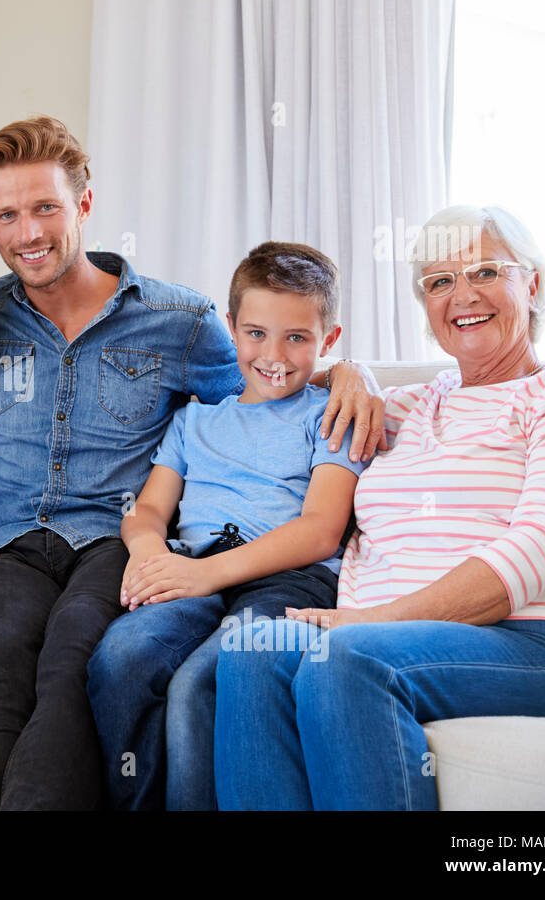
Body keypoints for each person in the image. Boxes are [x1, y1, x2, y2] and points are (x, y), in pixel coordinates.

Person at [0, 115, 386, 810]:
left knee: (76, 656)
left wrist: (350, 375)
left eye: (46, 208)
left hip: (111, 544)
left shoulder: (180, 320)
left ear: (84, 205)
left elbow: (263, 390)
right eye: (8, 215)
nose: (29, 232)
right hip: (15, 544)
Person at [213, 205, 545, 810]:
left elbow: (541, 547)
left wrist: (379, 620)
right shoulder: (404, 407)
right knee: (253, 654)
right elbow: (289, 371)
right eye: (439, 282)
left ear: (531, 284)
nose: (463, 295)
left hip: (529, 644)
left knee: (347, 660)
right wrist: (351, 372)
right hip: (377, 633)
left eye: (486, 272)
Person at [86, 242, 369, 811]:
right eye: (256, 334)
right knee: (120, 658)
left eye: (298, 338)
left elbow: (318, 530)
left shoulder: (331, 416)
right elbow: (146, 511)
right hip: (191, 565)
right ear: (232, 330)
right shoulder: (196, 419)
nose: (275, 355)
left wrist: (206, 575)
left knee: (200, 684)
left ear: (329, 341)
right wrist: (147, 552)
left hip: (287, 578)